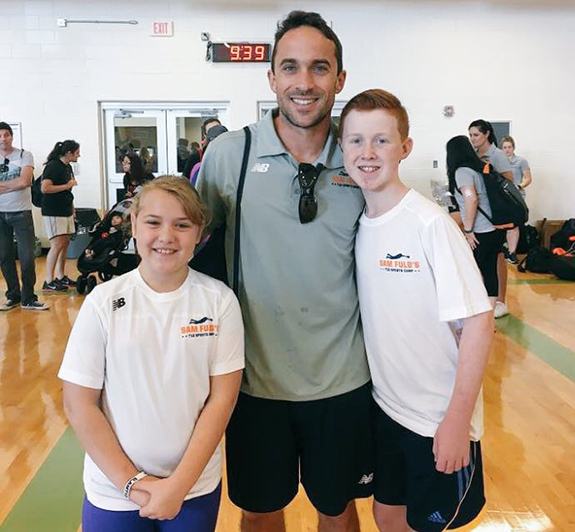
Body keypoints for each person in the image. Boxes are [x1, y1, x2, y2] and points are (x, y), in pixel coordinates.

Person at [197, 10, 372, 532]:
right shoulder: (230, 155)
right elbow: (189, 251)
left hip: (344, 380)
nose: (304, 82)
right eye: (290, 67)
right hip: (253, 382)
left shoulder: (362, 156)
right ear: (271, 77)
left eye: (320, 68)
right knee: (259, 509)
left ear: (340, 79)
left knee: (338, 508)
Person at [339, 89, 494, 532]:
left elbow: (479, 323)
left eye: (381, 141)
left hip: (437, 420)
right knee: (387, 515)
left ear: (404, 147)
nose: (368, 153)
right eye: (356, 140)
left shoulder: (430, 224)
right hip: (387, 411)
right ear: (342, 148)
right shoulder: (358, 224)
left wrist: (457, 421)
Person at [58, 176, 244, 532]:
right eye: (153, 222)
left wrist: (177, 486)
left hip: (192, 487)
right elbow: (79, 404)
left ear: (199, 232)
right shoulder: (102, 302)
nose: (166, 236)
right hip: (113, 489)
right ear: (133, 225)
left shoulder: (219, 301)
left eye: (182, 225)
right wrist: (131, 483)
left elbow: (222, 400)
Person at [447, 136, 505, 304]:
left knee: (469, 272)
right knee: (489, 272)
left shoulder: (462, 172)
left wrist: (469, 230)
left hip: (479, 231)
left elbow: (471, 199)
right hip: (493, 228)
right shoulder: (478, 168)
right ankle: (489, 314)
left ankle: (474, 312)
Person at [0, 121, 48, 311]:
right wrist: (14, 184)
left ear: (11, 136)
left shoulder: (24, 155)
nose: (3, 139)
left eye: (6, 135)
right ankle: (13, 296)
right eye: (0, 136)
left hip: (21, 213)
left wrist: (5, 186)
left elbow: (25, 181)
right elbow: (18, 182)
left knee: (27, 257)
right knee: (5, 257)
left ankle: (29, 297)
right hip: (0, 214)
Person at [468, 120, 513, 319]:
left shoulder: (498, 156)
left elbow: (509, 183)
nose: (472, 139)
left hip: (497, 213)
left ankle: (501, 300)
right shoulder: (474, 155)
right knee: (485, 258)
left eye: (476, 135)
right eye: (470, 135)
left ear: (486, 134)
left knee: (498, 256)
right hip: (481, 215)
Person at [41, 140, 80, 292]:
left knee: (65, 243)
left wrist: (72, 209)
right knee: (57, 244)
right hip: (53, 210)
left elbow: (68, 192)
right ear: (68, 153)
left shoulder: (67, 167)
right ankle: (48, 280)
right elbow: (45, 188)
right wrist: (66, 186)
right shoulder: (53, 166)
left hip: (65, 209)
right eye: (77, 153)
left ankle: (61, 276)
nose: (79, 155)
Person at [501, 135, 532, 264]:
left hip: (516, 196)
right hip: (502, 196)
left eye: (509, 147)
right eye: (504, 147)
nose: (507, 150)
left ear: (513, 148)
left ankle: (512, 252)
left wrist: (519, 186)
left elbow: (528, 178)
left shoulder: (521, 161)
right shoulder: (498, 162)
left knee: (514, 224)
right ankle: (504, 249)